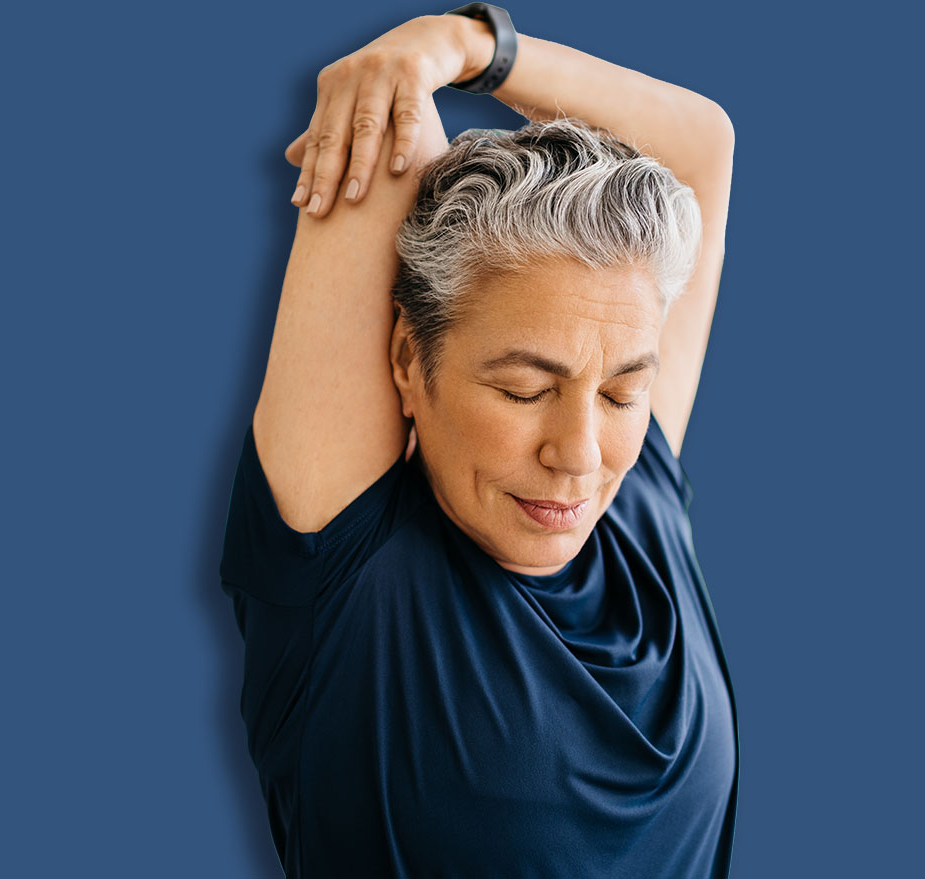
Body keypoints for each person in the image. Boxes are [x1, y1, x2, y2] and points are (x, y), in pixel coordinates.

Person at [219, 8, 737, 877]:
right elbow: (387, 135)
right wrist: (413, 65)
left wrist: (469, 45)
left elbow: (700, 151)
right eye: (524, 389)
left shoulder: (638, 494)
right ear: (407, 360)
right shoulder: (349, 579)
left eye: (621, 390)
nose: (579, 453)